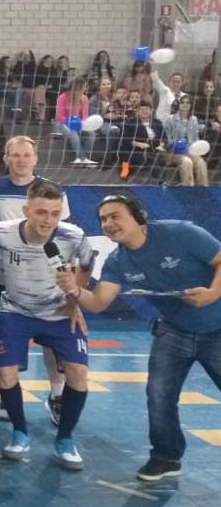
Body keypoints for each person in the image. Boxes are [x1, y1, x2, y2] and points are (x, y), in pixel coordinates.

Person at [59, 194, 221, 481]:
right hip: (173, 331)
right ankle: (166, 457)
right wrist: (73, 289)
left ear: (139, 216)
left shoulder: (181, 233)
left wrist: (213, 293)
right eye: (103, 219)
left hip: (217, 328)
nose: (108, 223)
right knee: (159, 395)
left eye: (115, 216)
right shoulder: (117, 261)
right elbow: (98, 302)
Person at [0, 180, 94, 468]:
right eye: (41, 212)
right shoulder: (1, 232)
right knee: (6, 375)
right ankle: (19, 432)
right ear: (27, 210)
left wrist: (75, 300)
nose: (48, 220)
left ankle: (65, 439)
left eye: (54, 213)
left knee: (78, 373)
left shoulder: (73, 235)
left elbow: (87, 263)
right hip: (15, 311)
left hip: (58, 313)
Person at [0, 135, 72, 420]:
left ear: (36, 158)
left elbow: (63, 233)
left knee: (53, 343)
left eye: (26, 155)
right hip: (6, 279)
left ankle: (58, 396)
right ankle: (8, 398)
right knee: (10, 340)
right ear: (6, 158)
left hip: (46, 280)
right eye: (15, 155)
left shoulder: (52, 190)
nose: (21, 160)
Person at [163, 95, 209, 186]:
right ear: (178, 105)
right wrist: (180, 146)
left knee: (201, 163)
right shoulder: (170, 119)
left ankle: (203, 188)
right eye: (182, 102)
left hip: (190, 151)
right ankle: (187, 188)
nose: (185, 104)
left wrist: (194, 148)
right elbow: (168, 140)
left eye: (187, 103)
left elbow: (195, 139)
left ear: (191, 105)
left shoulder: (194, 119)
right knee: (187, 162)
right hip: (173, 152)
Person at [56, 77, 97, 165]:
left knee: (91, 134)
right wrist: (72, 122)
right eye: (84, 87)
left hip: (78, 123)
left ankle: (83, 157)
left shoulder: (84, 99)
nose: (85, 89)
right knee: (73, 133)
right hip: (63, 123)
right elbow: (59, 117)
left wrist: (81, 124)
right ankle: (82, 158)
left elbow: (85, 116)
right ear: (77, 88)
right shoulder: (63, 97)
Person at [119, 101, 165, 180]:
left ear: (151, 111)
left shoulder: (157, 122)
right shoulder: (131, 123)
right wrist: (138, 144)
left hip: (155, 149)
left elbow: (164, 137)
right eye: (142, 109)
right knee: (149, 157)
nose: (144, 111)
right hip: (136, 149)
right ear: (137, 111)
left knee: (158, 156)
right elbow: (125, 139)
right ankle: (161, 180)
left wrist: (161, 145)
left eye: (147, 109)